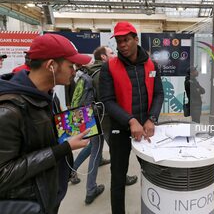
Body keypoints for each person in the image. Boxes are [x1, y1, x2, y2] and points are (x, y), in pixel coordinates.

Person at [0, 33, 92, 214]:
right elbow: (3, 174)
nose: (74, 71)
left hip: (48, 195)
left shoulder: (47, 95)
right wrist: (63, 148)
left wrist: (69, 127)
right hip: (27, 204)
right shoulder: (8, 110)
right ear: (51, 66)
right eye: (70, 65)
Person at [99, 21, 164, 214]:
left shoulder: (152, 65)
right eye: (118, 41)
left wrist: (151, 118)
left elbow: (159, 94)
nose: (122, 45)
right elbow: (107, 101)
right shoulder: (109, 67)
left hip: (146, 130)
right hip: (120, 130)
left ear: (136, 39)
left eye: (126, 40)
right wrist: (130, 120)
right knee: (118, 178)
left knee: (153, 175)